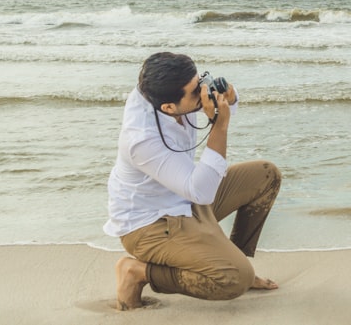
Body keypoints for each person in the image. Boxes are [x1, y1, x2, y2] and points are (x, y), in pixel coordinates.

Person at [104, 51, 282, 310]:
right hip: (150, 224)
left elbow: (220, 105)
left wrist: (230, 98)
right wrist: (219, 126)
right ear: (168, 107)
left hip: (185, 197)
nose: (202, 92)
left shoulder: (163, 89)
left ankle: (230, 258)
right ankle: (137, 271)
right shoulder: (141, 139)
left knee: (266, 175)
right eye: (194, 91)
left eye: (201, 81)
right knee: (233, 281)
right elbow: (202, 192)